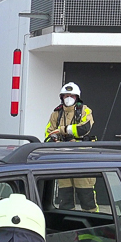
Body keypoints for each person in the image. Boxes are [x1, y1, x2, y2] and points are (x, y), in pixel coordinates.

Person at [45, 83, 97, 211]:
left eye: (72, 96)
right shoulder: (56, 113)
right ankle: (66, 219)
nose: (69, 98)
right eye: (66, 95)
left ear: (77, 97)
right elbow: (48, 134)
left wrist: (62, 130)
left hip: (82, 158)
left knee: (86, 196)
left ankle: (93, 219)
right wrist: (54, 140)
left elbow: (84, 128)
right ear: (61, 97)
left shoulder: (85, 110)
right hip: (63, 158)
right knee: (65, 197)